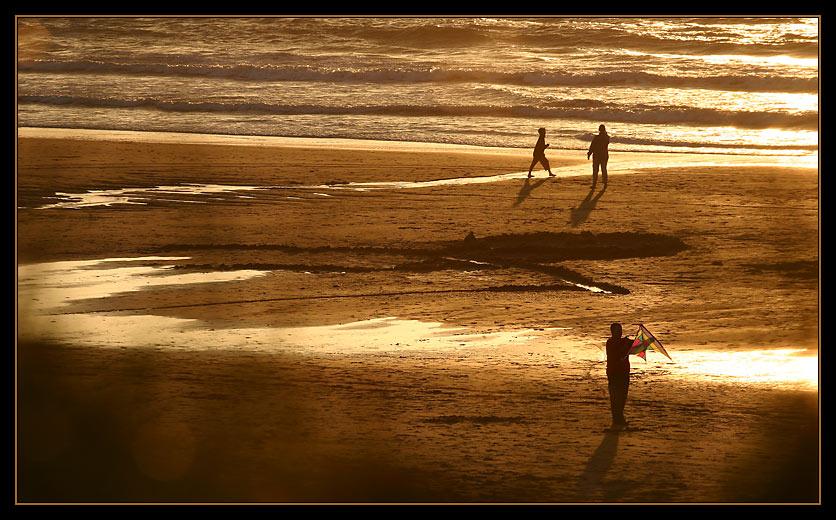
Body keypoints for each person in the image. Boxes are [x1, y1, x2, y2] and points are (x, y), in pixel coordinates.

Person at [605, 322, 633, 430]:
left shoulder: (624, 342)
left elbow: (635, 344)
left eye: (620, 330)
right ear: (612, 332)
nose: (619, 332)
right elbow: (617, 346)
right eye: (617, 330)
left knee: (623, 397)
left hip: (624, 373)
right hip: (614, 374)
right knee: (615, 397)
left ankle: (620, 418)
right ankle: (616, 419)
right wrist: (626, 341)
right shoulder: (610, 342)